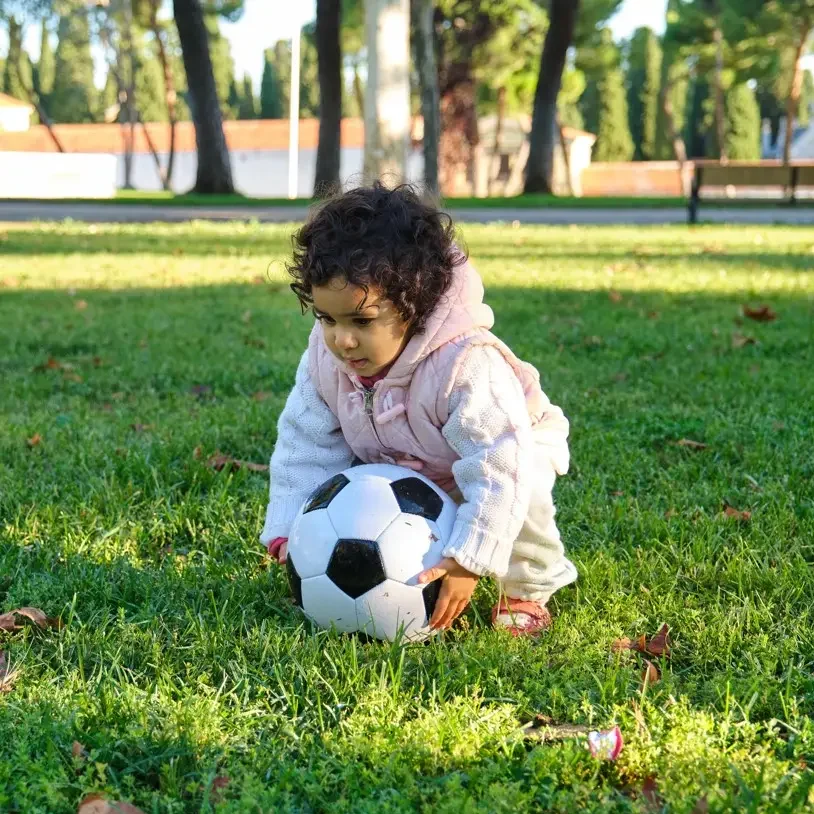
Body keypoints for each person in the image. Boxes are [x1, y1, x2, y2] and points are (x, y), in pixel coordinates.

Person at [261, 183, 576, 637]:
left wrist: (470, 560)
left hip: (511, 442)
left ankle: (528, 586)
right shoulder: (325, 362)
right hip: (401, 455)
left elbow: (497, 463)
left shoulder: (465, 364)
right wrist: (291, 525)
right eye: (327, 319)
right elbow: (304, 442)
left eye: (362, 321)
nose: (342, 340)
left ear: (414, 305)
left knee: (518, 490)